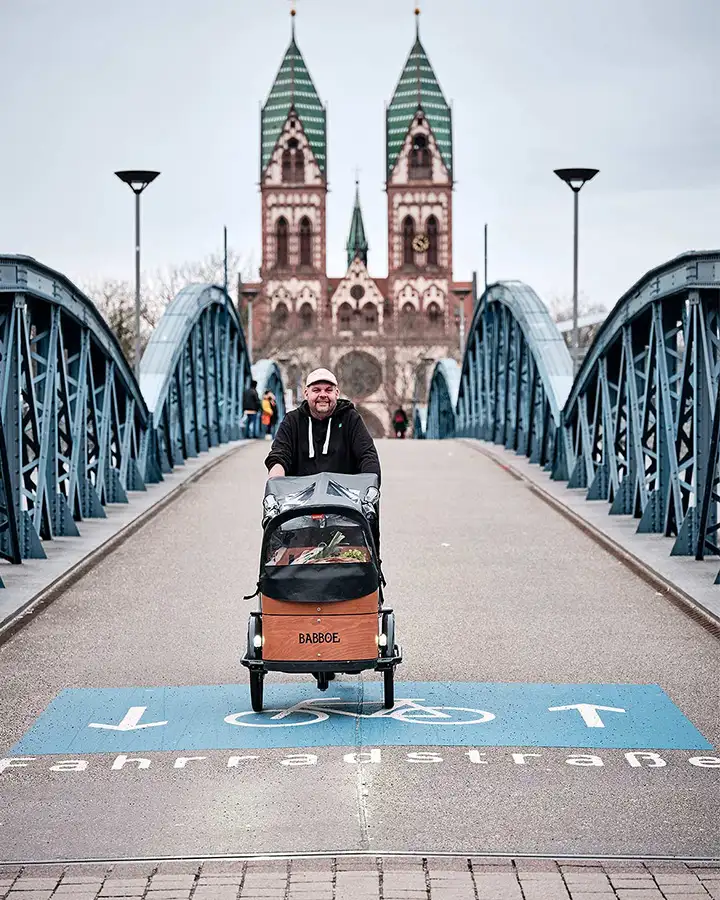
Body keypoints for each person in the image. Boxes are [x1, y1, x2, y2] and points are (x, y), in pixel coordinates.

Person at [265, 368, 380, 481]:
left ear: (337, 393)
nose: (323, 395)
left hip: (343, 495)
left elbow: (367, 456)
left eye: (328, 390)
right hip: (300, 495)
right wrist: (276, 483)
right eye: (316, 390)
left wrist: (369, 486)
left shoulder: (350, 418)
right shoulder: (292, 420)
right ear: (306, 393)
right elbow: (279, 456)